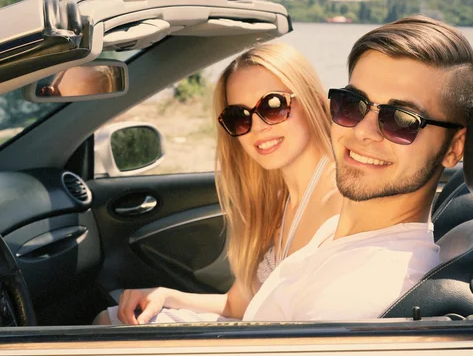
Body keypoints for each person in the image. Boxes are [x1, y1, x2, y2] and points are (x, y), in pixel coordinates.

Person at [243, 15, 473, 321]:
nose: (362, 132)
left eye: (401, 120)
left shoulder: (356, 298)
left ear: (454, 148)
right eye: (352, 103)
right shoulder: (341, 234)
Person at [93, 42, 343, 325]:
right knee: (112, 319)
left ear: (311, 98)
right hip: (261, 338)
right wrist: (164, 294)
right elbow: (237, 304)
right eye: (240, 116)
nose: (257, 127)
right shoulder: (280, 201)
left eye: (273, 106)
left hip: (284, 350)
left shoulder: (339, 201)